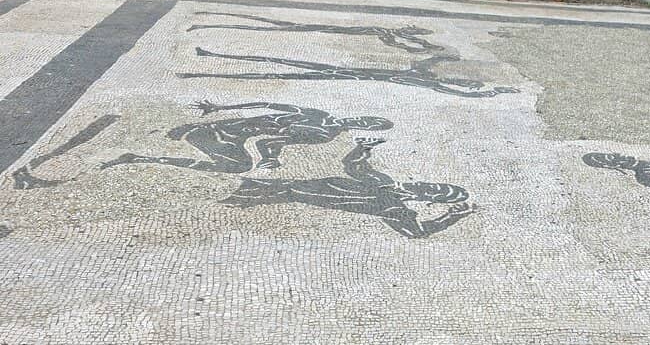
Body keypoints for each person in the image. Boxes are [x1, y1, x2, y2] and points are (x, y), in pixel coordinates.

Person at [223, 137, 476, 239]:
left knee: (227, 198)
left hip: (285, 193)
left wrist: (452, 216)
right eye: (438, 184)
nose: (429, 185)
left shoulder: (395, 207)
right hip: (282, 186)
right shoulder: (384, 182)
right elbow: (354, 166)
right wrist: (364, 148)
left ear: (428, 199)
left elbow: (416, 232)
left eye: (436, 191)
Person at [102, 101, 392, 173]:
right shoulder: (318, 116)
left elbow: (269, 141)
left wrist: (270, 159)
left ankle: (140, 158)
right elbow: (266, 104)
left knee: (238, 166)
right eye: (367, 118)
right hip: (216, 129)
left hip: (227, 138)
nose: (362, 121)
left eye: (369, 124)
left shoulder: (325, 134)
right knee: (237, 166)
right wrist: (219, 109)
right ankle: (138, 157)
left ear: (365, 128)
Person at [179, 48, 519, 98]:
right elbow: (429, 63)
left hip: (343, 77)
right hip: (344, 69)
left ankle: (201, 76)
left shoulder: (431, 85)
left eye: (465, 82)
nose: (461, 81)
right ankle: (215, 55)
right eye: (465, 79)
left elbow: (455, 92)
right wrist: (443, 55)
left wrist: (495, 92)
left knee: (282, 75)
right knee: (283, 61)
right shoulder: (426, 74)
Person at [187, 12, 443, 54]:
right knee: (268, 24)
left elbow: (399, 41)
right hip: (321, 28)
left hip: (325, 29)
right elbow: (397, 43)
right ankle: (208, 23)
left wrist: (422, 45)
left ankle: (206, 24)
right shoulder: (382, 31)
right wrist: (419, 46)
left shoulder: (386, 32)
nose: (409, 29)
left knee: (270, 24)